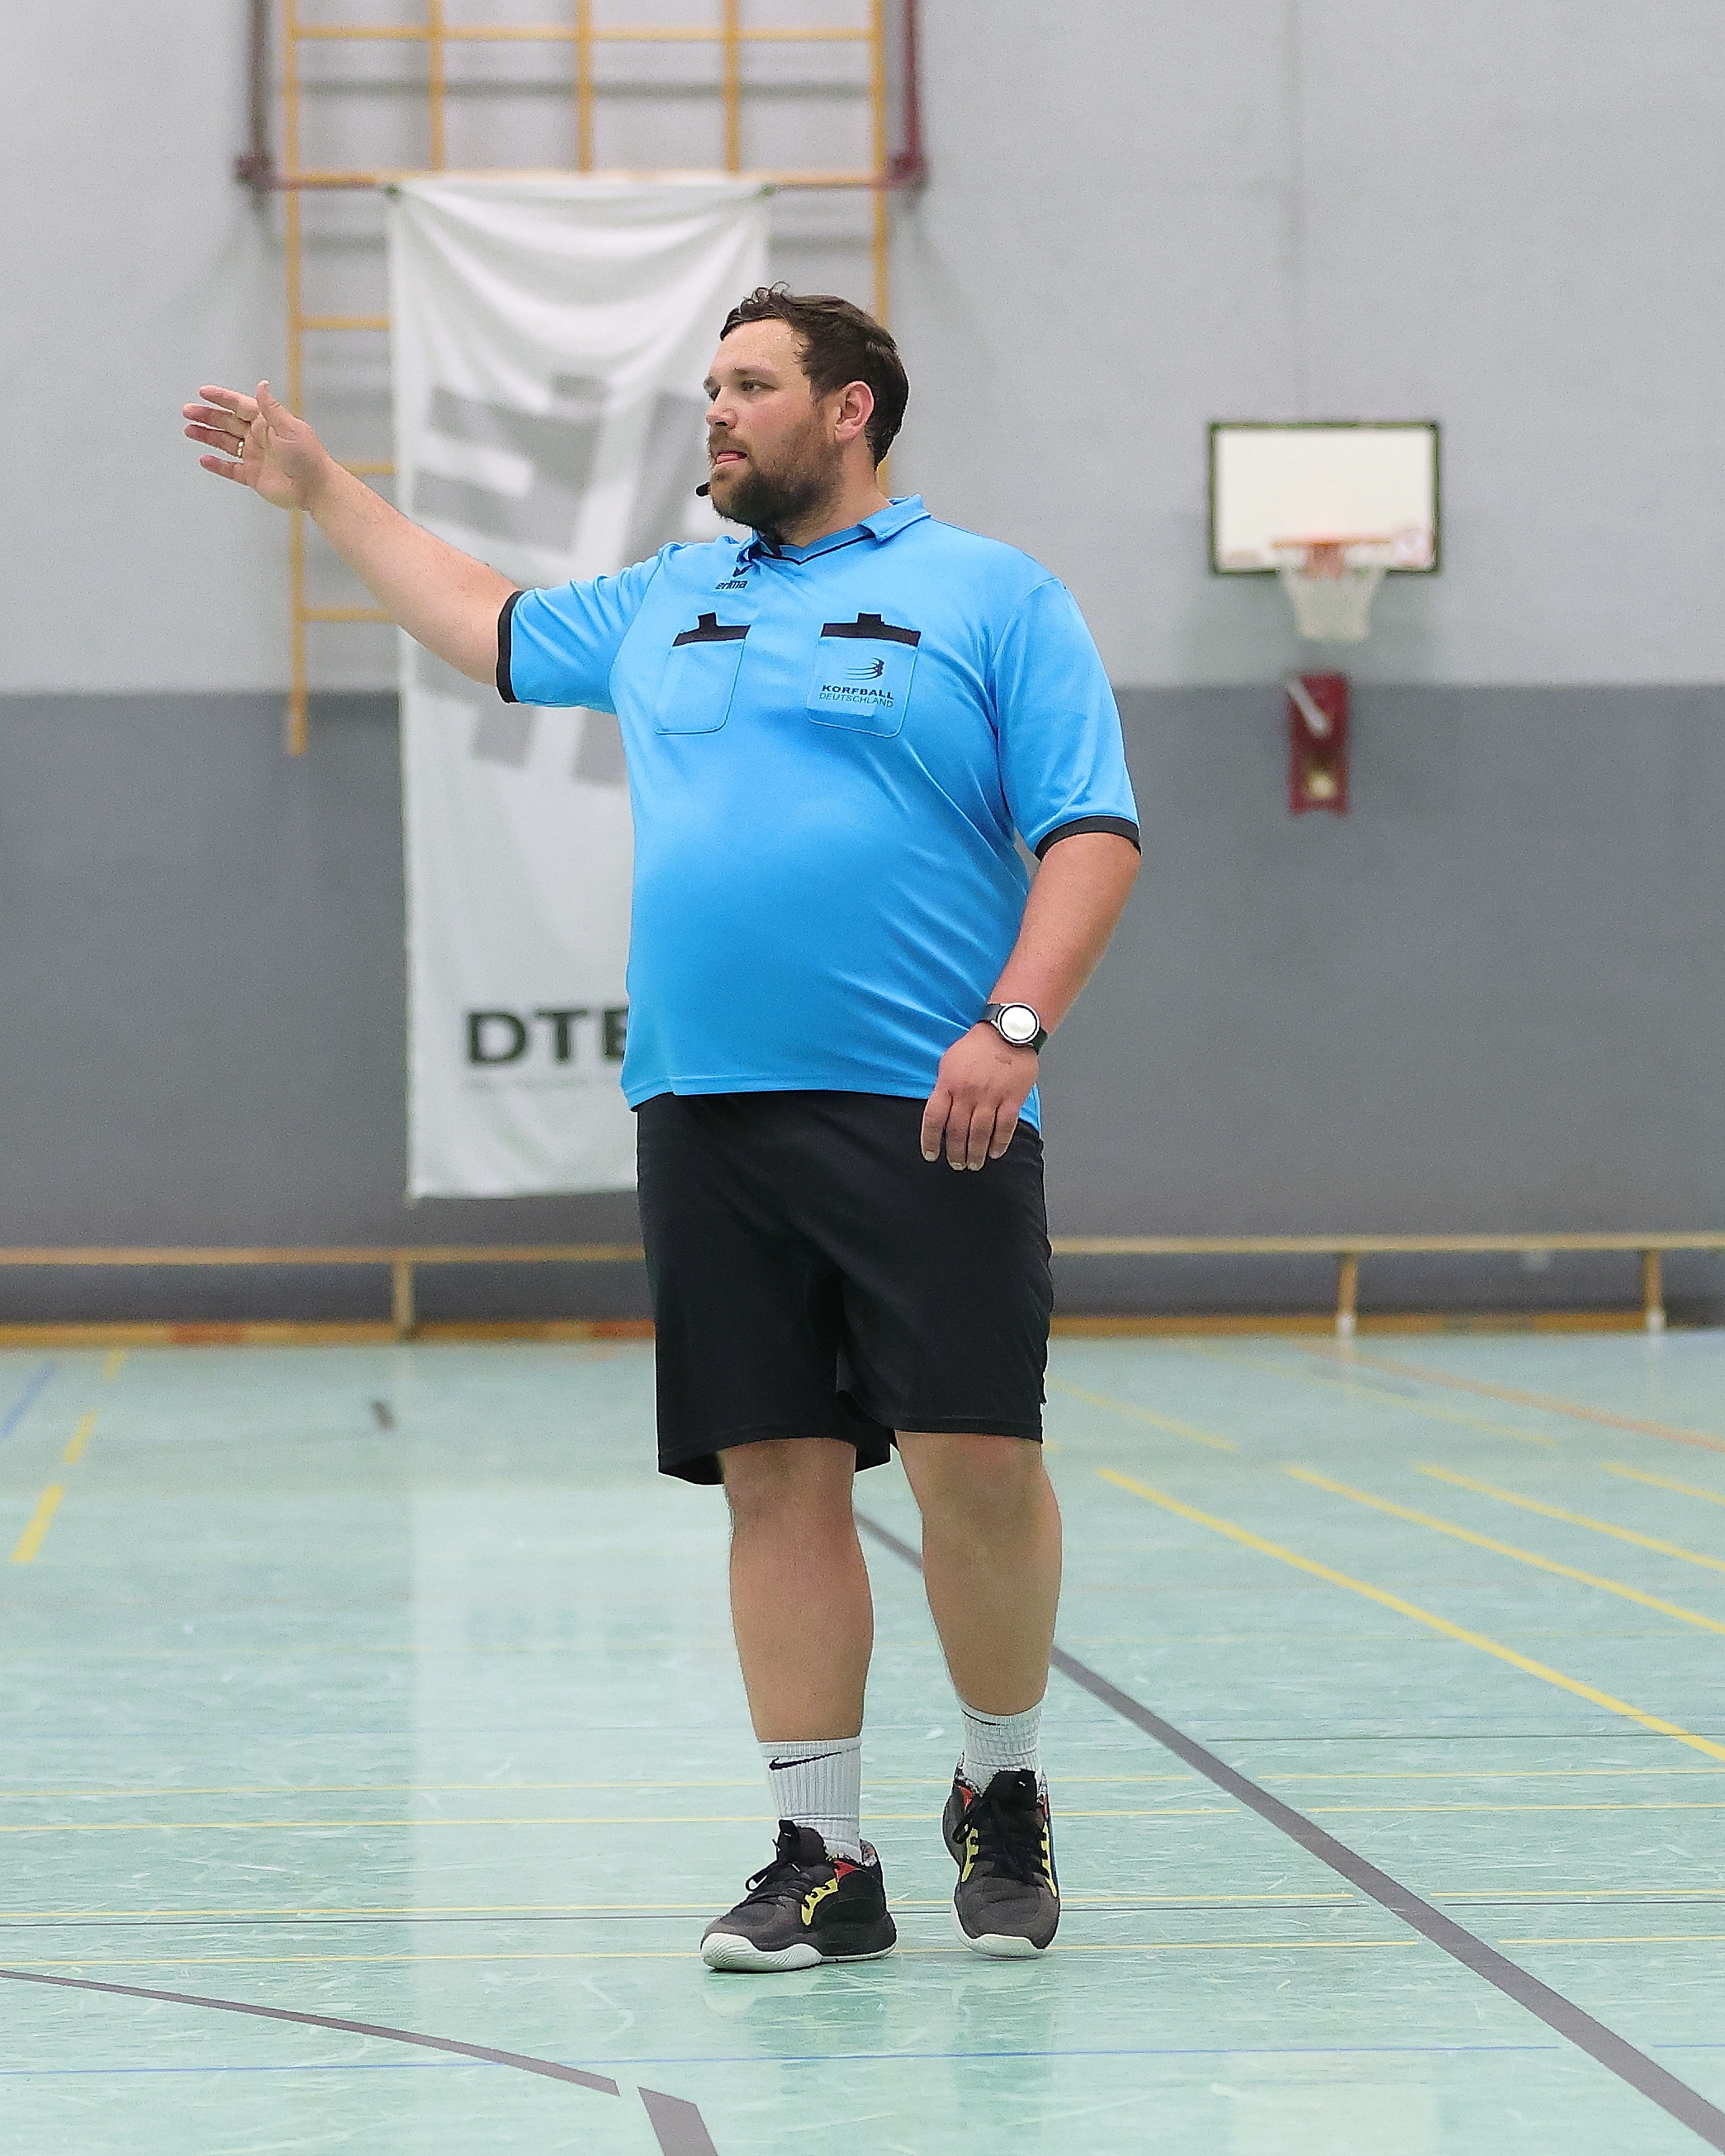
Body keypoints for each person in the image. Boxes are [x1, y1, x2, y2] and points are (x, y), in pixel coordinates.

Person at [185, 286, 1140, 1972]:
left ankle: (1000, 1783)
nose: (716, 412)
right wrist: (323, 489)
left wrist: (1010, 1028)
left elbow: (1090, 831)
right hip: (704, 1108)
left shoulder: (991, 593)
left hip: (932, 1107)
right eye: (709, 386)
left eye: (749, 385)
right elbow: (483, 621)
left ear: (849, 410)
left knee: (978, 1466)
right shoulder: (673, 594)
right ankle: (822, 1855)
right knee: (773, 1474)